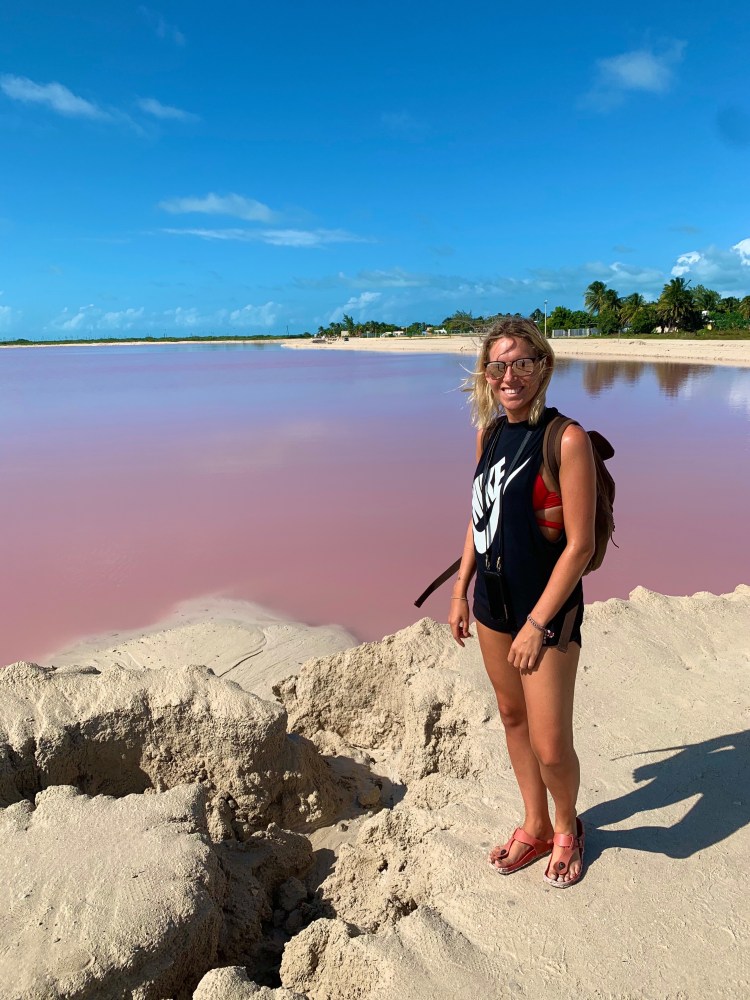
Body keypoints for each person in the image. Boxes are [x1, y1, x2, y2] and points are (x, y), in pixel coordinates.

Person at [448, 316, 596, 887]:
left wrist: (537, 623)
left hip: (546, 612)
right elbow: (479, 516)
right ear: (486, 375)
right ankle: (535, 824)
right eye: (497, 366)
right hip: (493, 605)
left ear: (543, 367)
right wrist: (461, 590)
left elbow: (580, 546)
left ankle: (566, 827)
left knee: (551, 744)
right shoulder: (488, 436)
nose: (508, 377)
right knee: (512, 717)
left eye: (521, 364)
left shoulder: (566, 439)